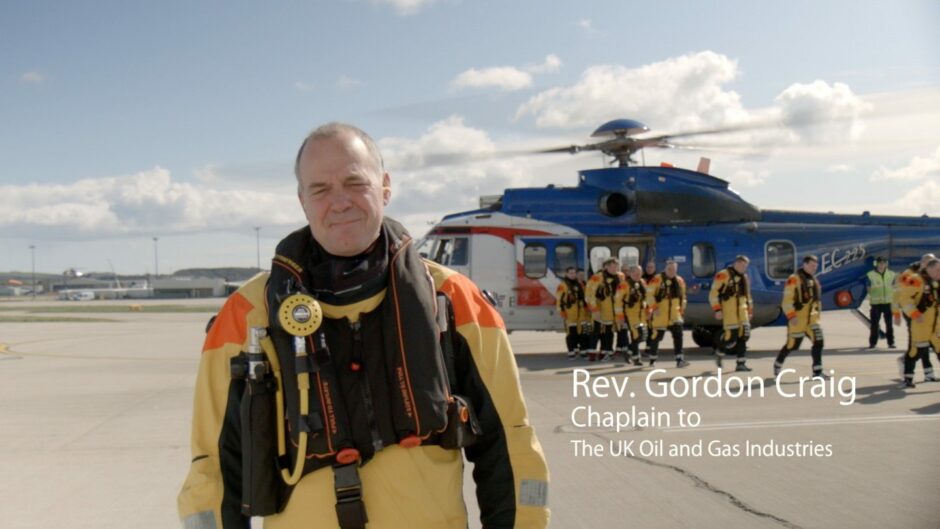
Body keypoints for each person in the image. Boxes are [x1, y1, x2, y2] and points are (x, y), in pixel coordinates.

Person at [177, 123, 550, 529]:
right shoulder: (248, 314)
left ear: (385, 186)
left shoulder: (454, 300)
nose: (340, 203)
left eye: (355, 182)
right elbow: (213, 468)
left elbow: (510, 444)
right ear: (302, 200)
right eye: (320, 189)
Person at [774, 255, 826, 378]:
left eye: (816, 266)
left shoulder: (814, 280)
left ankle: (817, 371)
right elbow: (786, 301)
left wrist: (817, 315)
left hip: (812, 319)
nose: (814, 268)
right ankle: (778, 363)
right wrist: (792, 316)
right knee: (792, 345)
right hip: (798, 319)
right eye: (812, 265)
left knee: (819, 341)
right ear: (805, 264)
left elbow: (816, 300)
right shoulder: (794, 279)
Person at [897, 258, 940, 388]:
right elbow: (904, 298)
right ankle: (908, 379)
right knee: (916, 351)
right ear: (929, 268)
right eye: (938, 270)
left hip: (936, 324)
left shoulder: (937, 281)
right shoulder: (915, 279)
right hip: (921, 324)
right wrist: (914, 314)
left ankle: (928, 374)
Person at [708, 255, 754, 371]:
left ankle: (741, 363)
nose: (744, 268)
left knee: (744, 335)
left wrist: (750, 310)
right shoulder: (723, 275)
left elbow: (748, 295)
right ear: (736, 263)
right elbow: (713, 293)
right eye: (742, 265)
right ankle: (720, 351)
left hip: (743, 311)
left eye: (746, 266)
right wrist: (717, 309)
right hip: (729, 311)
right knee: (731, 337)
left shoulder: (745, 277)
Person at [645, 260, 689, 368]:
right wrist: (654, 307)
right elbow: (649, 295)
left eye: (674, 269)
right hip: (660, 313)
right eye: (669, 269)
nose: (672, 271)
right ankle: (652, 359)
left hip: (675, 313)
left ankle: (679, 359)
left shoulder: (680, 281)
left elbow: (683, 297)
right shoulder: (657, 279)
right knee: (657, 337)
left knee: (678, 335)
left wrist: (681, 309)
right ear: (665, 268)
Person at [585, 258, 622, 362]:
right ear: (606, 267)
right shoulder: (597, 278)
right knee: (595, 333)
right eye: (613, 266)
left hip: (612, 313)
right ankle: (592, 354)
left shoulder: (619, 277)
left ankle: (606, 353)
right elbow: (589, 295)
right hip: (599, 312)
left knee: (609, 334)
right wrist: (594, 310)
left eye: (616, 267)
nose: (615, 269)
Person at [615, 265, 648, 366]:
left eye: (640, 273)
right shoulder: (624, 285)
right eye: (636, 273)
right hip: (630, 314)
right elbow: (618, 302)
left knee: (641, 336)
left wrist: (649, 310)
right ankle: (636, 358)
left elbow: (647, 297)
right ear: (630, 273)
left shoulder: (642, 282)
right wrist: (620, 317)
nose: (638, 275)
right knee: (637, 335)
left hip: (641, 314)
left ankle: (629, 352)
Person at [865, 257, 897, 348]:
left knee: (889, 324)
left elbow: (894, 286)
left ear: (886, 264)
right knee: (874, 325)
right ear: (876, 264)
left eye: (883, 263)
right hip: (876, 304)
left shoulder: (891, 274)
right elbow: (868, 288)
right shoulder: (870, 275)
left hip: (888, 303)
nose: (882, 265)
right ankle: (872, 343)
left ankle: (891, 342)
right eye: (880, 263)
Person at [556, 266, 587, 359]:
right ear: (566, 274)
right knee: (571, 334)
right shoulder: (563, 285)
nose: (573, 275)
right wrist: (562, 312)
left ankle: (582, 351)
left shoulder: (579, 284)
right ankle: (571, 352)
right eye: (570, 273)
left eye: (574, 273)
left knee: (582, 333)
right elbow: (559, 300)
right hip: (570, 313)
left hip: (581, 314)